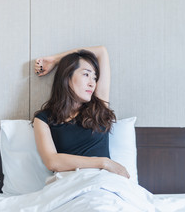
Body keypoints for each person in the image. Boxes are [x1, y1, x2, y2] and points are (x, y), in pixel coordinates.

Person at [33, 46, 130, 179]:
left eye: (95, 78)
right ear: (67, 77)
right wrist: (104, 162)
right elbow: (52, 162)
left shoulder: (98, 106)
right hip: (70, 182)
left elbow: (101, 51)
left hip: (103, 181)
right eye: (86, 74)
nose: (92, 83)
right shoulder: (43, 119)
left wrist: (55, 59)